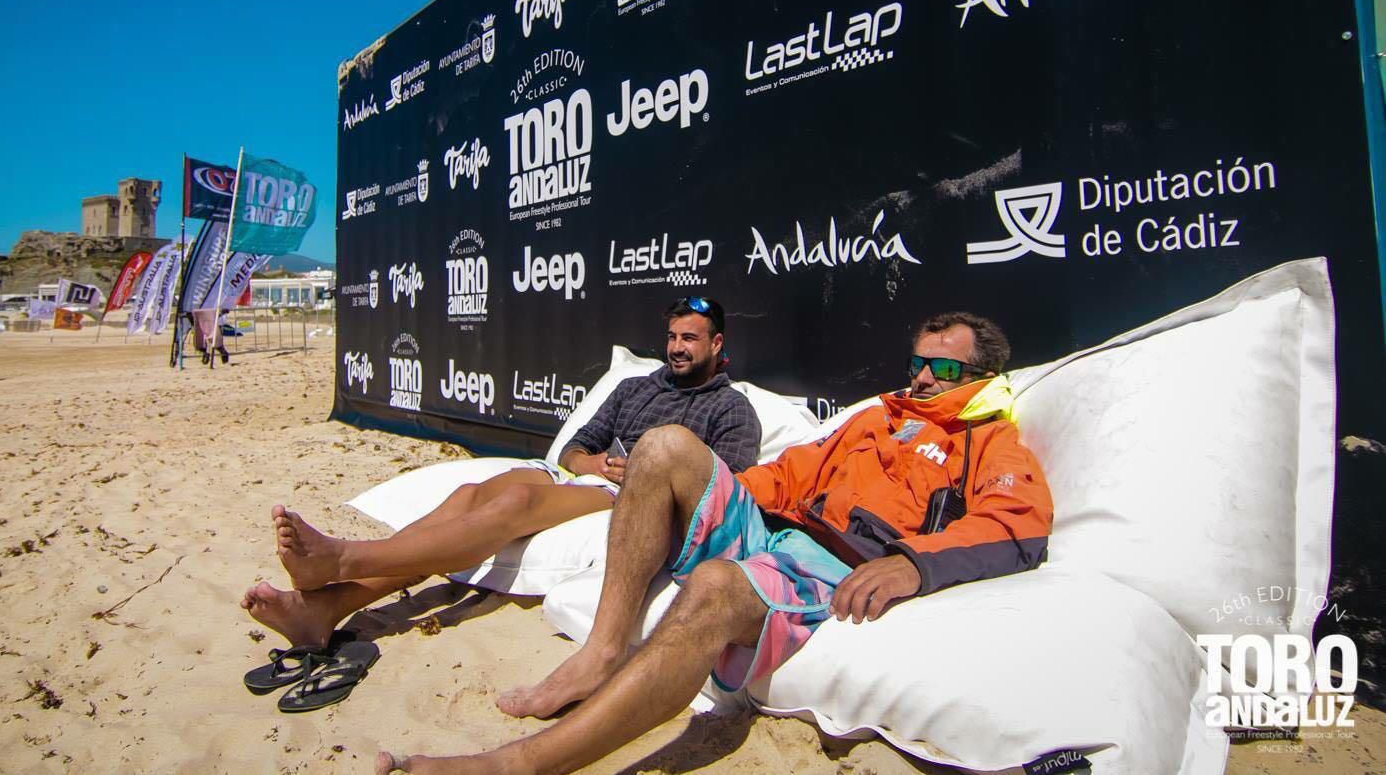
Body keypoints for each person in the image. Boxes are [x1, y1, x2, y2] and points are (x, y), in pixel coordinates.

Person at [376, 312, 1053, 774]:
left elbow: (1015, 520)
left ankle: (520, 762)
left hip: (836, 562)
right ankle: (602, 650)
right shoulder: (875, 418)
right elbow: (792, 472)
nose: (923, 378)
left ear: (981, 377)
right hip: (777, 526)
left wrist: (912, 563)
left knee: (716, 587)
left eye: (942, 368)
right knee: (663, 445)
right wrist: (709, 493)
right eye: (917, 363)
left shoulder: (989, 439)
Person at [241, 297, 760, 652]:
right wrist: (594, 463)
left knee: (515, 505)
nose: (676, 348)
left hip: (632, 500)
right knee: (468, 495)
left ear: (716, 345)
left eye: (690, 338)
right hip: (590, 478)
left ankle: (343, 559)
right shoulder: (636, 387)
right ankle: (325, 609)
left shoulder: (731, 408)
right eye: (671, 337)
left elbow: (725, 493)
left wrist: (643, 477)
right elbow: (574, 450)